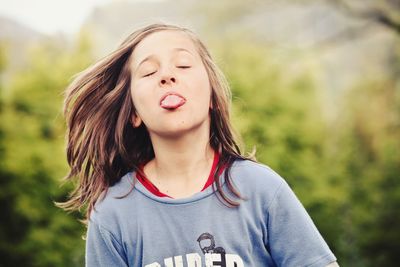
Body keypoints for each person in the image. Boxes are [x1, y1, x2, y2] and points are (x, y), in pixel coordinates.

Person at [56, 23, 339, 267]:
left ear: (213, 97)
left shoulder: (261, 188)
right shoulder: (113, 214)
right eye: (149, 72)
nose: (167, 76)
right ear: (134, 113)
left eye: (183, 65)